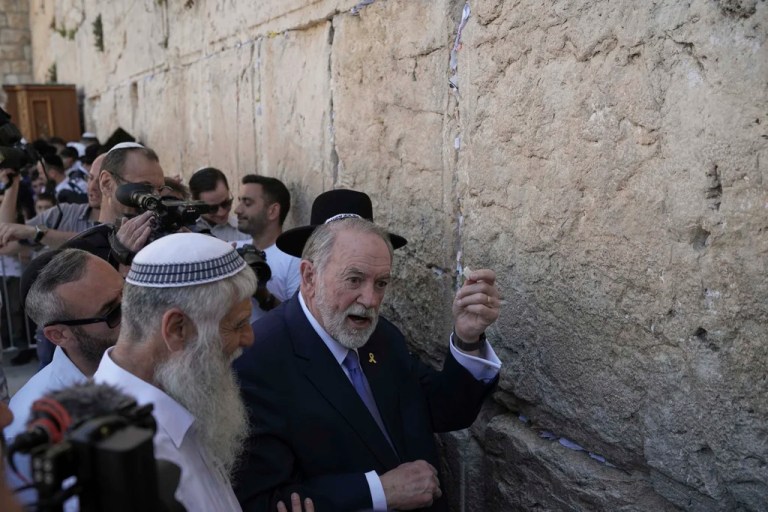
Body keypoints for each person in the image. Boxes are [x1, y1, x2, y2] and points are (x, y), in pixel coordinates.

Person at [233, 189, 502, 512]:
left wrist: (467, 338)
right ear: (309, 276)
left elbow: (445, 410)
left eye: (381, 283)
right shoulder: (258, 359)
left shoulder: (382, 335)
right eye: (354, 279)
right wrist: (379, 491)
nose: (371, 300)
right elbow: (262, 500)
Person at [92, 233, 263, 511]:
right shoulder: (120, 458)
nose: (249, 338)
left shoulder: (185, 391)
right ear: (177, 329)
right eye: (237, 324)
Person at [5, 248, 124, 508]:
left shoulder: (156, 359)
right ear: (59, 335)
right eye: (113, 312)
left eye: (130, 294)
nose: (135, 315)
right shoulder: (29, 427)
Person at [62, 142, 165, 271]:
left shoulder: (162, 239)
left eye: (160, 190)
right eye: (144, 187)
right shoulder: (78, 253)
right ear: (107, 184)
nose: (155, 197)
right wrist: (121, 258)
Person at [0, 153, 104, 250]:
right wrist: (12, 185)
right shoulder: (64, 212)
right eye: (90, 178)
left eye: (102, 181)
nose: (92, 187)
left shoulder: (116, 227)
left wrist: (36, 232)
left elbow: (92, 244)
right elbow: (7, 234)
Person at [233, 174, 300, 323]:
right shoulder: (233, 249)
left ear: (273, 211)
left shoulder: (293, 259)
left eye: (247, 203)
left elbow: (297, 320)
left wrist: (263, 295)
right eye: (239, 201)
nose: (237, 210)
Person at [189, 167, 250, 242]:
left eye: (225, 203)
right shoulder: (186, 231)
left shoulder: (246, 231)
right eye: (212, 209)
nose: (222, 213)